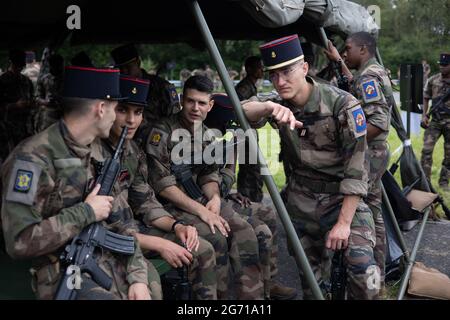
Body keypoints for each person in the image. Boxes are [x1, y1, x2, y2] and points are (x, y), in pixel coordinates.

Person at [242, 34, 379, 300]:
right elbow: (241, 109)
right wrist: (267, 107)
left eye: (287, 72)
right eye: (273, 75)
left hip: (342, 200)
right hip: (300, 201)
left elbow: (357, 168)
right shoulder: (279, 102)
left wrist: (343, 223)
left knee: (363, 270)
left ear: (304, 68)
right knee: (311, 281)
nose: (280, 82)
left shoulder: (342, 104)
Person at [1, 66, 150, 300]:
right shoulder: (33, 159)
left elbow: (123, 223)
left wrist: (139, 277)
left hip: (104, 260)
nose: (117, 117)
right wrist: (86, 212)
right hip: (60, 273)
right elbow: (19, 241)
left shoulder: (97, 153)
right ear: (101, 109)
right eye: (115, 108)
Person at [91, 75, 218, 299]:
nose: (130, 120)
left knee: (204, 249)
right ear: (107, 109)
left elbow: (146, 203)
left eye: (138, 113)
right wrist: (159, 243)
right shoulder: (91, 155)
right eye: (123, 110)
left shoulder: (132, 152)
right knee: (151, 286)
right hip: (105, 242)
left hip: (133, 231)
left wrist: (177, 226)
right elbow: (103, 229)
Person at [143, 75, 264, 299]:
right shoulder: (162, 132)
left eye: (201, 103)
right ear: (181, 100)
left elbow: (209, 175)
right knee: (216, 235)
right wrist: (203, 212)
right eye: (190, 101)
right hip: (169, 206)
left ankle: (252, 299)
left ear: (210, 106)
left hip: (198, 199)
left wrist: (215, 199)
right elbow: (162, 186)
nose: (195, 108)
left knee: (245, 232)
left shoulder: (207, 134)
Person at [204, 93, 298, 300]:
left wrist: (231, 192)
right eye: (232, 123)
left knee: (266, 213)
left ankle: (269, 282)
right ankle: (250, 295)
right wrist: (233, 154)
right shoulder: (203, 138)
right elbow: (212, 184)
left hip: (222, 198)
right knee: (254, 230)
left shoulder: (223, 138)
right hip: (206, 205)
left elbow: (224, 181)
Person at [325, 31, 392, 295]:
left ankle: (367, 279)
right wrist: (337, 62)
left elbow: (377, 122)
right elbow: (356, 86)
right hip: (377, 153)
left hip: (370, 154)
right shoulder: (372, 72)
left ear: (363, 49)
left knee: (365, 215)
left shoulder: (369, 76)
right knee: (374, 214)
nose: (344, 52)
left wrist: (347, 140)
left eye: (348, 48)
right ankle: (378, 279)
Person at [110, 44, 181, 125]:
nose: (124, 72)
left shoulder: (162, 87)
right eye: (120, 69)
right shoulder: (115, 87)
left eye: (128, 67)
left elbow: (175, 119)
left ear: (138, 62)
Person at [235, 56, 265, 202]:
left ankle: (251, 198)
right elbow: (239, 112)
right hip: (244, 134)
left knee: (252, 168)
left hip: (249, 133)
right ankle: (248, 199)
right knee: (250, 169)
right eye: (259, 67)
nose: (262, 70)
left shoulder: (250, 86)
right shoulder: (244, 88)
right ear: (249, 69)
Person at [420, 53, 450, 191]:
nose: (442, 67)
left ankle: (444, 183)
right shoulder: (433, 80)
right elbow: (426, 97)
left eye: (445, 65)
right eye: (441, 64)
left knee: (449, 155)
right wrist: (424, 115)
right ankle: (425, 181)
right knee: (426, 150)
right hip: (435, 122)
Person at [34, 54, 65, 133]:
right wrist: (45, 102)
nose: (60, 67)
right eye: (56, 65)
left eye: (60, 65)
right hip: (47, 117)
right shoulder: (44, 79)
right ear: (51, 65)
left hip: (64, 116)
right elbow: (37, 97)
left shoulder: (67, 79)